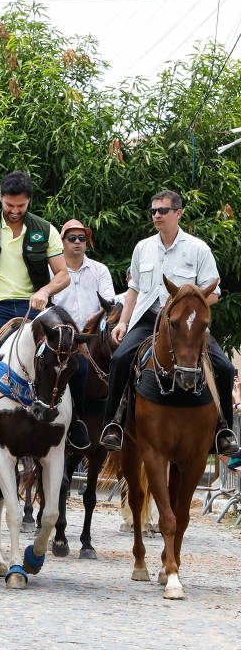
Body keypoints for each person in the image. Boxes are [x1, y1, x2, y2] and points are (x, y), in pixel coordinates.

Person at [99, 190, 239, 455]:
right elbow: (134, 290)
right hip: (149, 319)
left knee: (224, 366)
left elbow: (215, 294)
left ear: (178, 213)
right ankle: (113, 425)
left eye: (162, 211)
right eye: (153, 211)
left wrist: (183, 309)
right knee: (119, 360)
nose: (156, 216)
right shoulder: (142, 247)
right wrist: (122, 323)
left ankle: (223, 431)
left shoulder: (199, 248)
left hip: (186, 325)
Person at [0, 171, 74, 446]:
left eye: (20, 206)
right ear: (1, 198)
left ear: (29, 202)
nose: (14, 211)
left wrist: (44, 291)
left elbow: (63, 275)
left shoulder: (45, 229)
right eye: (9, 206)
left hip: (34, 307)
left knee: (71, 350)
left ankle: (74, 420)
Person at [50, 219, 115, 447]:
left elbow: (110, 301)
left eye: (82, 238)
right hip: (60, 337)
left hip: (94, 336)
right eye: (72, 238)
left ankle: (116, 423)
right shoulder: (53, 271)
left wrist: (96, 315)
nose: (78, 243)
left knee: (123, 361)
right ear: (62, 242)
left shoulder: (100, 269)